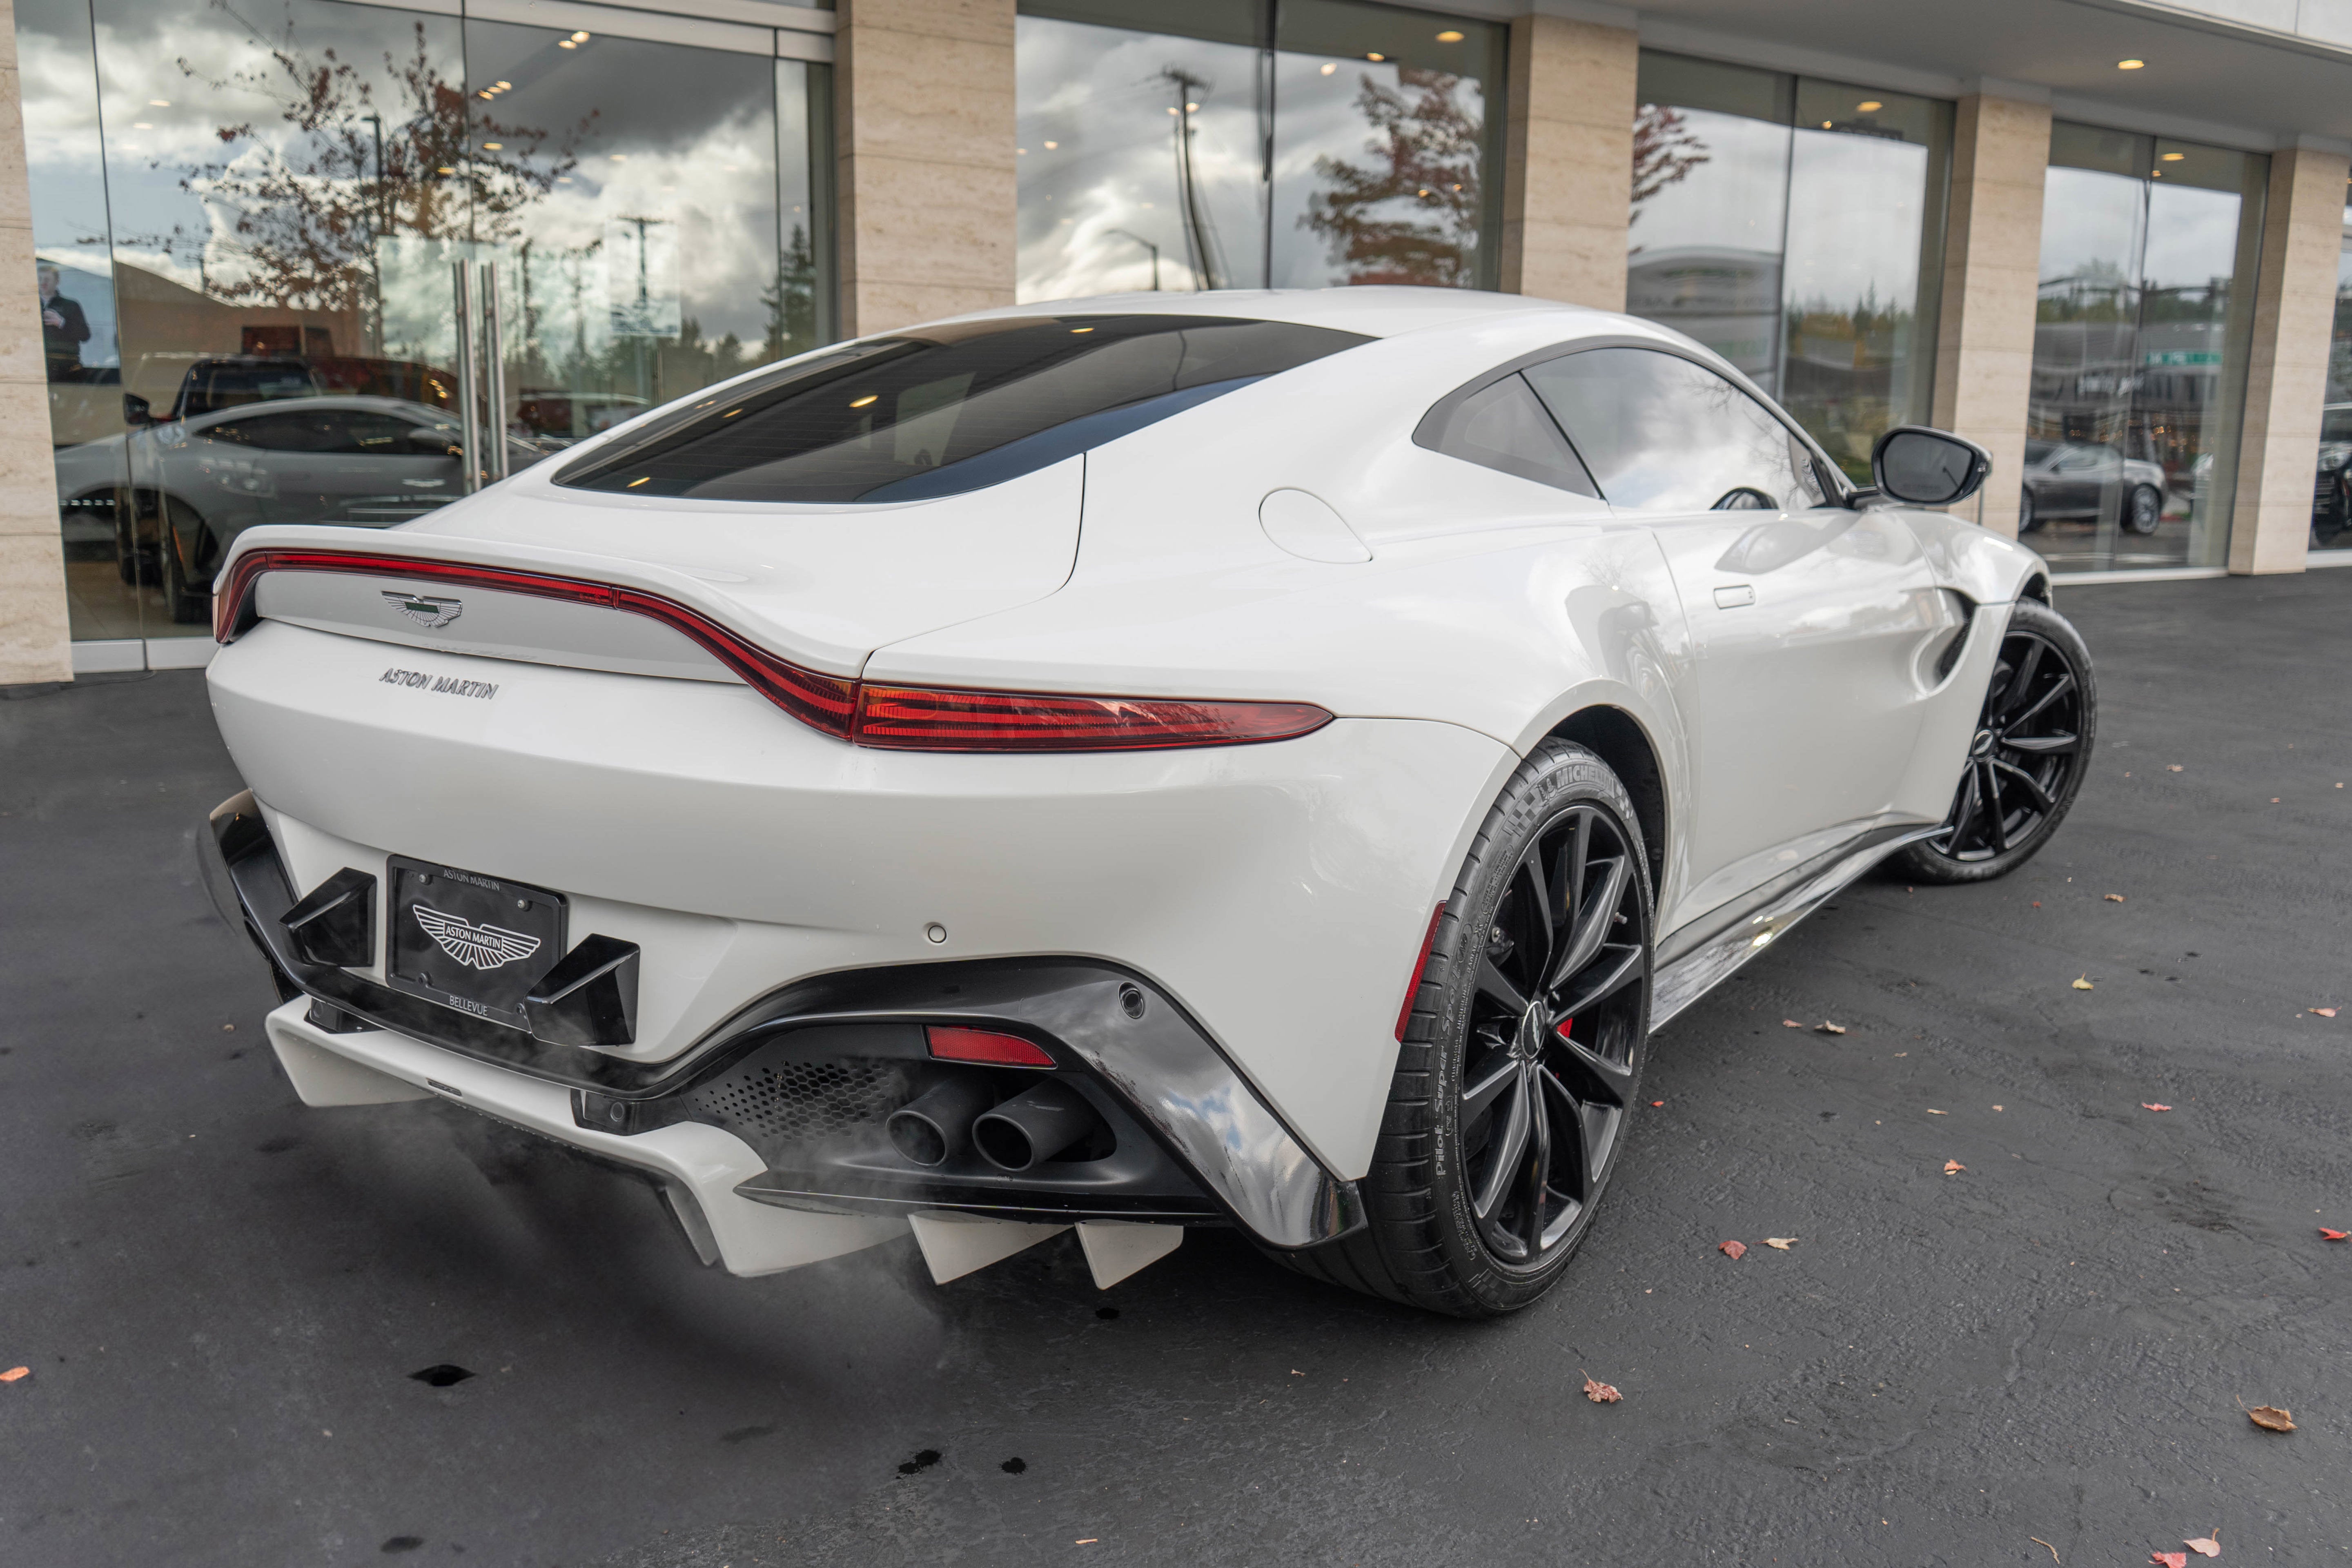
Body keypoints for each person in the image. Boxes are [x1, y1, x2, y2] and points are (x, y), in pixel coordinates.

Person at [38, 263, 90, 382]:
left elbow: (85, 335)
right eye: (40, 279)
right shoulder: (26, 306)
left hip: (68, 366)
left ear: (57, 281)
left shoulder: (71, 305)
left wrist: (61, 322)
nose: (43, 283)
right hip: (38, 365)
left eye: (47, 279)